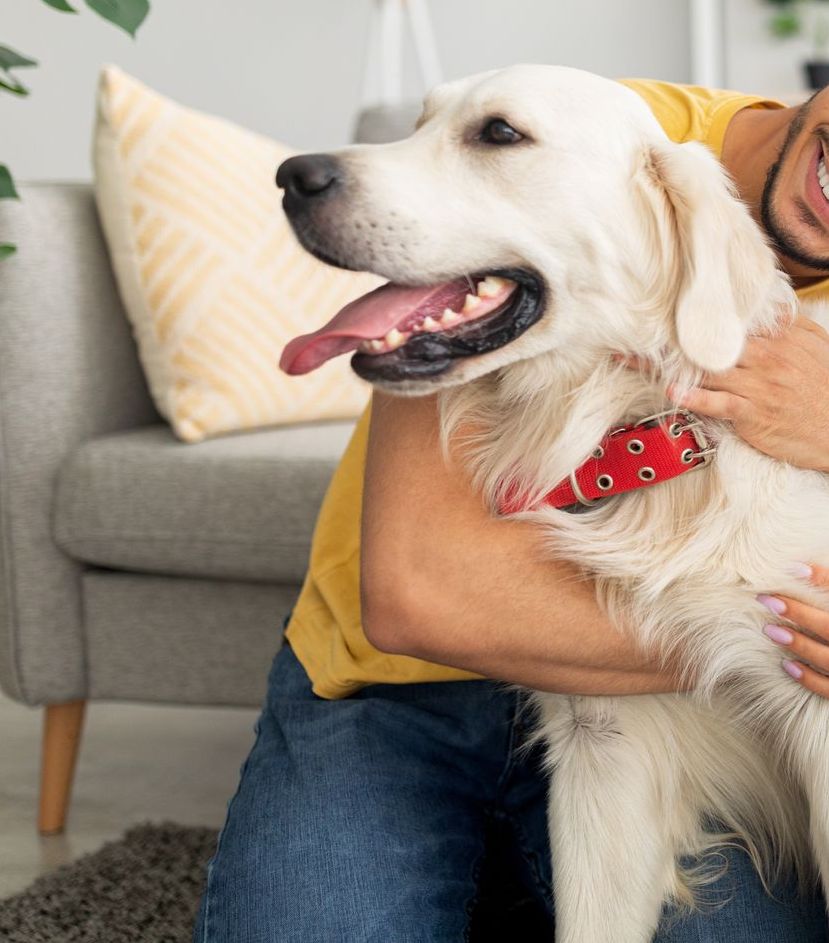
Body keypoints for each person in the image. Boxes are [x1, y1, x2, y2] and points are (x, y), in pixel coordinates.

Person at [193, 78, 829, 943]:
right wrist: (774, 642)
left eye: (492, 138)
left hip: (660, 702)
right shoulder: (606, 117)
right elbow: (415, 599)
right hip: (397, 688)